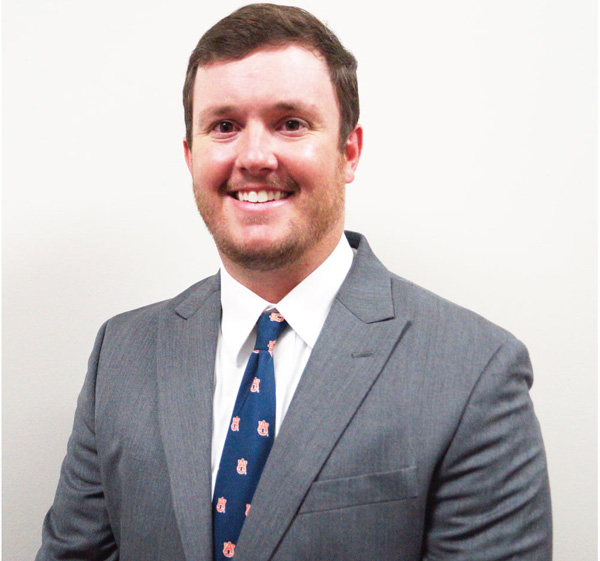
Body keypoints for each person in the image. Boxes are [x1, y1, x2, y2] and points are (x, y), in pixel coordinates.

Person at [36, 4, 552, 560]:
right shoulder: (121, 354)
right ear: (190, 156)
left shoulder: (473, 372)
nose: (255, 157)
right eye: (224, 126)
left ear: (349, 152)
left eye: (291, 123)